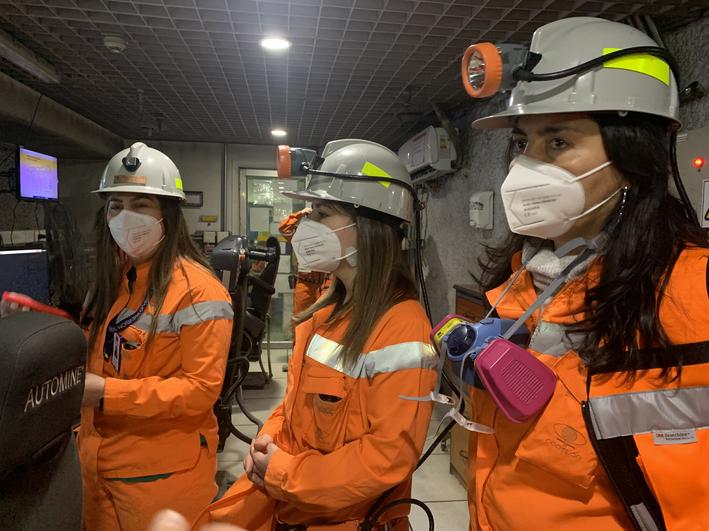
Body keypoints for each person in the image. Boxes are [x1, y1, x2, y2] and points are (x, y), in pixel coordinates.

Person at [460, 17, 709, 530]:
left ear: (631, 154)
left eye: (557, 142)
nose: (525, 167)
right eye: (523, 143)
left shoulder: (692, 290)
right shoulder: (521, 282)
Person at [194, 140, 438, 530]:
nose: (305, 227)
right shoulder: (323, 313)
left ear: (368, 226)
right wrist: (267, 441)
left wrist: (282, 472)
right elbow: (294, 406)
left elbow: (386, 458)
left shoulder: (401, 327)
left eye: (321, 214)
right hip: (289, 508)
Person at [78, 142, 234, 530]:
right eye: (116, 206)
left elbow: (200, 390)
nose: (124, 217)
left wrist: (106, 393)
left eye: (141, 205)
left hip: (161, 475)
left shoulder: (199, 291)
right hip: (97, 465)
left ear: (168, 214)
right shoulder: (114, 281)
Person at [278, 207, 331, 317]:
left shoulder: (331, 234)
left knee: (323, 318)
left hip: (325, 284)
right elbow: (284, 228)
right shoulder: (301, 235)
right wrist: (300, 214)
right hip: (304, 284)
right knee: (300, 318)